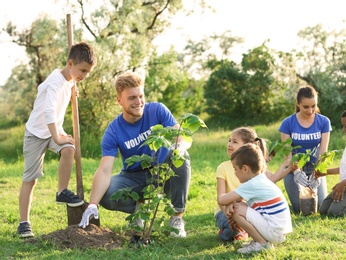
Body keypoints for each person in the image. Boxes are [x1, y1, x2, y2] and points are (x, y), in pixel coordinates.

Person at [78, 71, 191, 238]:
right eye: (132, 98)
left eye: (141, 96)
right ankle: (138, 211)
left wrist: (180, 147)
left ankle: (176, 218)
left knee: (181, 155)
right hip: (135, 177)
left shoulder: (157, 110)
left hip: (164, 174)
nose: (139, 102)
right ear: (119, 100)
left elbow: (181, 139)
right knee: (107, 193)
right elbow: (104, 170)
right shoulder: (113, 130)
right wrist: (93, 204)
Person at [17, 42, 97, 238]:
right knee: (31, 179)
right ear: (70, 63)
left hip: (53, 130)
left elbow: (68, 84)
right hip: (37, 133)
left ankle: (61, 192)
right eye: (82, 71)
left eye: (87, 73)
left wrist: (72, 90)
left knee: (70, 149)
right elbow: (48, 110)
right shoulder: (55, 80)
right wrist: (57, 137)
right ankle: (23, 223)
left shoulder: (69, 78)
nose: (84, 76)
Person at [215, 127, 292, 242]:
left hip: (272, 229)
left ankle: (261, 243)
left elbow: (222, 199)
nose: (235, 172)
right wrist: (230, 209)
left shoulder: (251, 182)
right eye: (229, 140)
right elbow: (224, 201)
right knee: (234, 220)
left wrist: (288, 164)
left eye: (235, 169)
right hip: (277, 229)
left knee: (237, 211)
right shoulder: (258, 177)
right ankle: (254, 236)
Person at [278, 85, 332, 214]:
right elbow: (288, 155)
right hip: (294, 170)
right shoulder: (287, 123)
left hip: (314, 167)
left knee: (318, 207)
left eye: (313, 106)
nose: (310, 110)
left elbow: (323, 151)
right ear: (298, 103)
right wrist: (296, 171)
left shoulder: (324, 122)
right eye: (306, 107)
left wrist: (317, 173)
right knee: (300, 209)